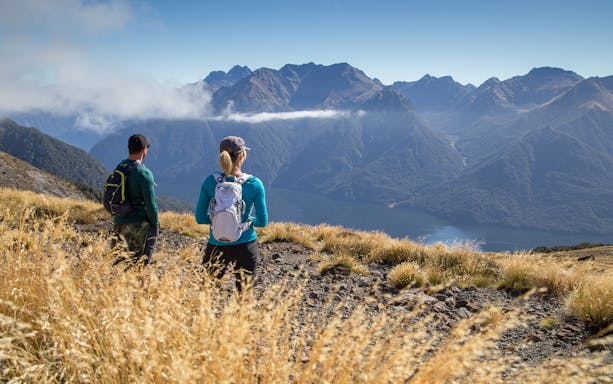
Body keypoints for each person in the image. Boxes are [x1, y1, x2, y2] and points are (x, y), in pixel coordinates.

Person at [195, 136, 268, 291]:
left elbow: (200, 217)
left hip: (216, 243)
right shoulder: (254, 184)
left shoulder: (210, 181)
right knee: (244, 295)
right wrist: (245, 222)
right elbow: (262, 221)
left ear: (222, 156)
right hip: (245, 244)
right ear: (242, 155)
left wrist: (220, 222)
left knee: (206, 292)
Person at [112, 133, 159, 266]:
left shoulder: (120, 168)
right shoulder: (143, 173)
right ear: (144, 149)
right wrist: (155, 224)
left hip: (119, 223)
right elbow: (151, 205)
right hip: (138, 227)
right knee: (138, 266)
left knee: (119, 265)